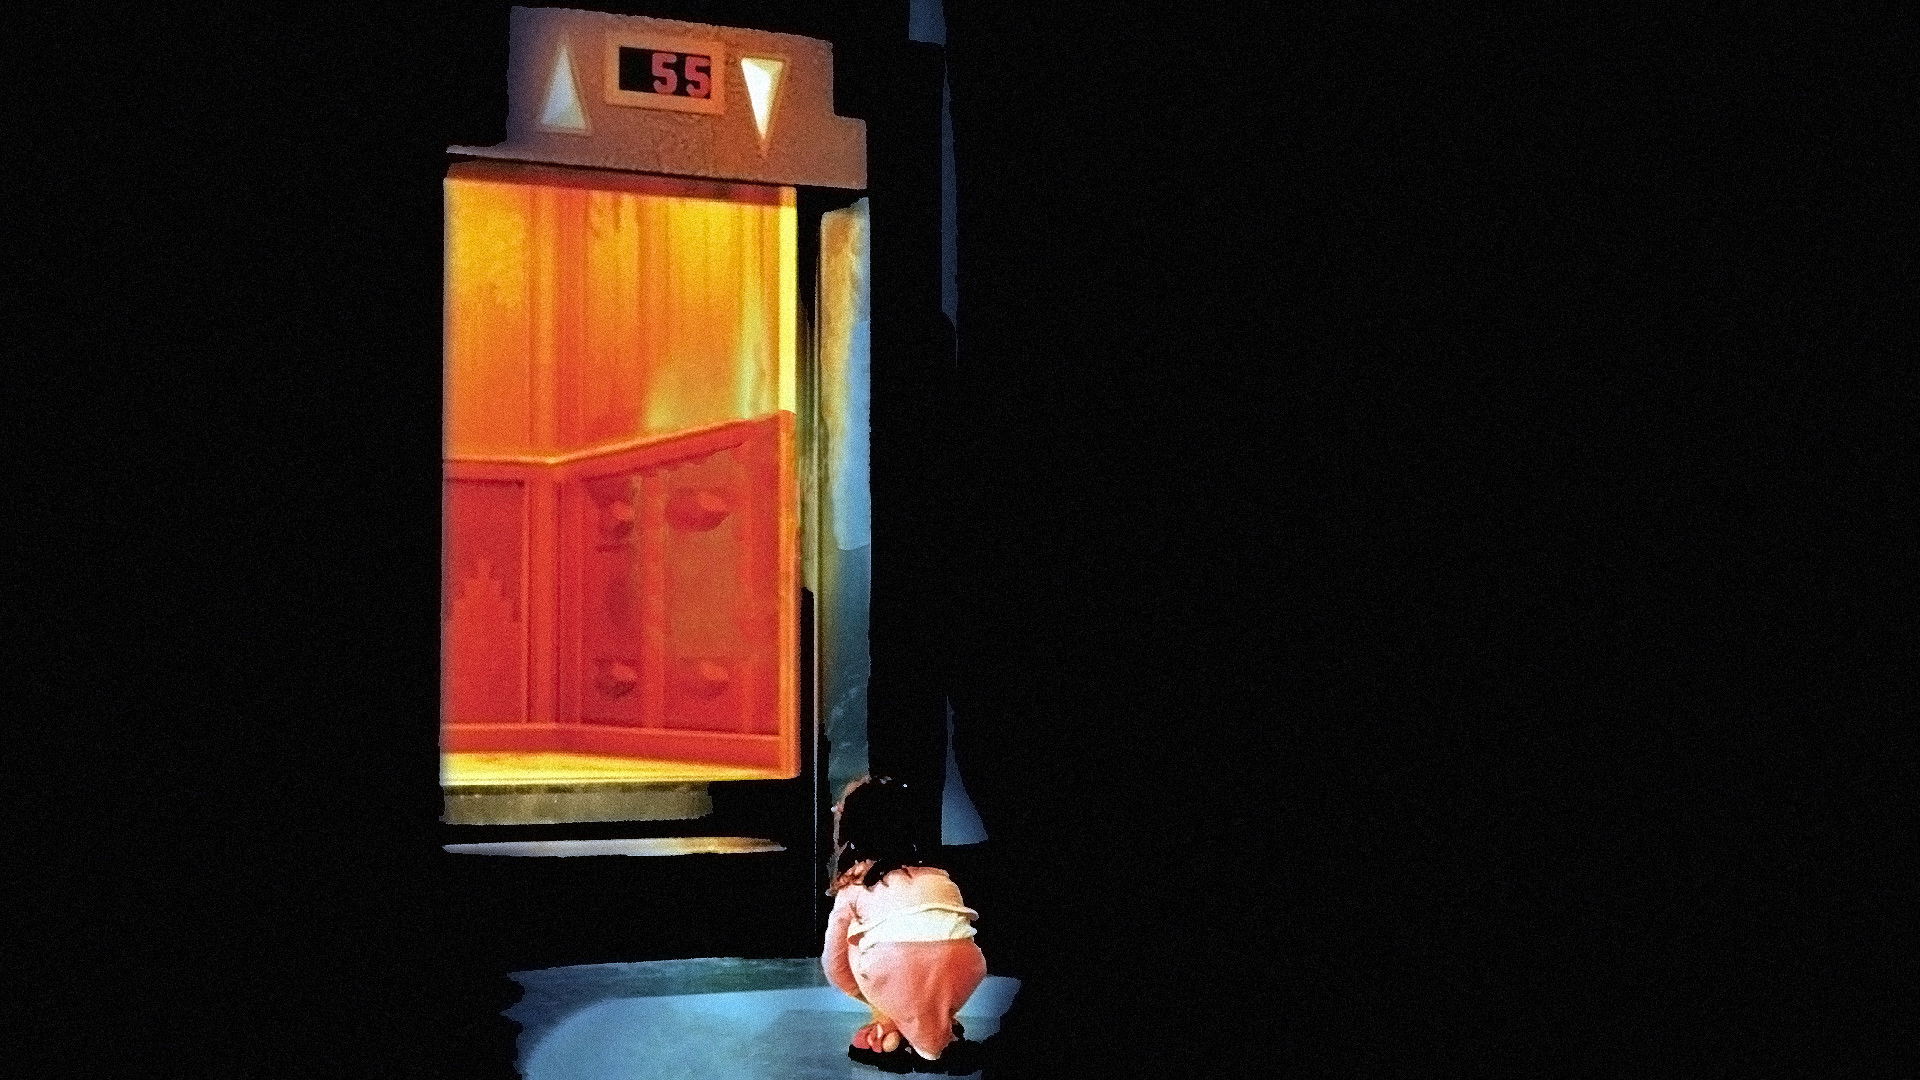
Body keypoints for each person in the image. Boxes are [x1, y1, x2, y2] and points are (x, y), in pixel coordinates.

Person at [822, 775, 987, 1074]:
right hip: (966, 969)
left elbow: (833, 962)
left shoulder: (854, 884)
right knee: (931, 953)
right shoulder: (938, 876)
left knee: (860, 941)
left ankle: (897, 1029)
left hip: (895, 971)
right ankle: (935, 1029)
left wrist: (875, 1000)